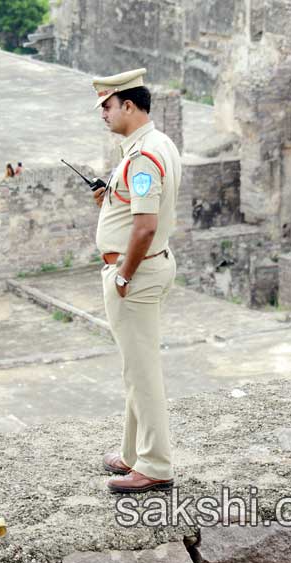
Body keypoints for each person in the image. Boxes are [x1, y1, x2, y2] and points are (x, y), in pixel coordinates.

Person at [92, 68, 181, 494]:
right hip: (148, 267)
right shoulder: (153, 144)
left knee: (142, 374)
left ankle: (156, 464)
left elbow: (144, 226)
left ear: (128, 105)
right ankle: (133, 453)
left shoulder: (143, 155)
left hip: (137, 272)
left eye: (107, 107)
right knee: (136, 367)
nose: (103, 115)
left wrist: (124, 274)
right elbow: (139, 207)